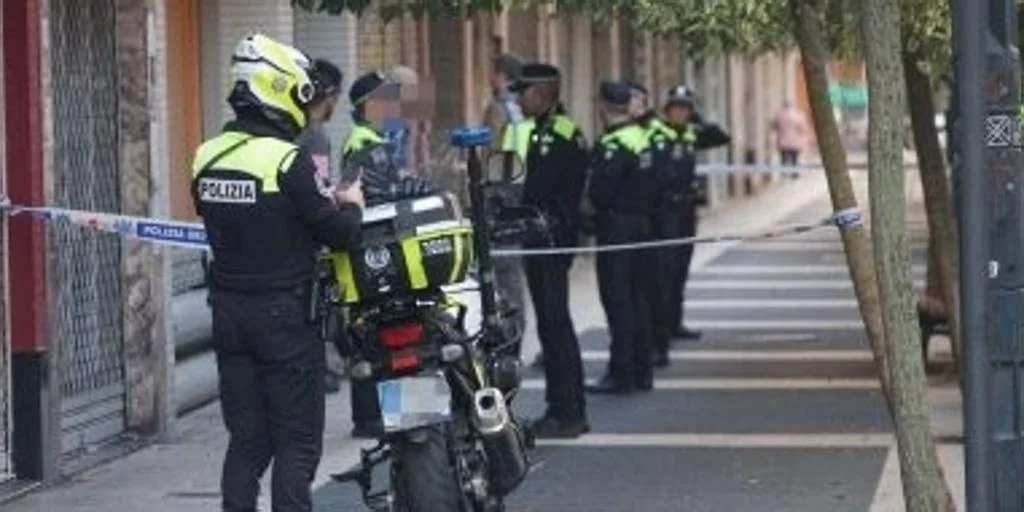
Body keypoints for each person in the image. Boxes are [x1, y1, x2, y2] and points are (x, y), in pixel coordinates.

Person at [190, 33, 364, 512]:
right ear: (276, 89)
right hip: (284, 317)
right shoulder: (289, 160)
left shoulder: (206, 155)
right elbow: (336, 232)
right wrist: (351, 206)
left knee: (247, 442)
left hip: (228, 314)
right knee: (297, 442)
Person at [340, 69, 431, 439]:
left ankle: (408, 416)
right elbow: (367, 196)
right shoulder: (362, 143)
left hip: (384, 245)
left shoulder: (377, 139)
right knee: (380, 331)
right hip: (376, 248)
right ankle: (378, 418)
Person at [509, 63, 590, 438]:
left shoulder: (555, 133)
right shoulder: (545, 129)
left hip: (550, 238)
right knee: (552, 325)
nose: (518, 100)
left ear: (541, 94)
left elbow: (539, 192)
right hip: (545, 236)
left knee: (556, 325)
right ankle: (562, 408)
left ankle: (567, 411)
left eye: (522, 93)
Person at [585, 81, 657, 394]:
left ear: (604, 107)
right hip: (643, 225)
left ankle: (621, 371)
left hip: (617, 228)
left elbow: (600, 192)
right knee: (639, 300)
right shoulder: (642, 137)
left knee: (618, 302)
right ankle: (643, 369)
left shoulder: (614, 143)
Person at [662, 86, 731, 344]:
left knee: (680, 268)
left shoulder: (690, 134)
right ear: (668, 109)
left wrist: (698, 119)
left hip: (686, 211)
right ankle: (662, 326)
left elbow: (722, 137)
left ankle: (675, 322)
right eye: (677, 107)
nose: (681, 112)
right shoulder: (660, 134)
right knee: (665, 271)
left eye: (685, 108)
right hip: (665, 211)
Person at [624, 81, 685, 368]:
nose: (631, 105)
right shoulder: (625, 132)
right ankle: (642, 347)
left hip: (660, 219)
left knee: (658, 285)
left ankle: (658, 344)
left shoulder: (658, 132)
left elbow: (665, 175)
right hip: (640, 219)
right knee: (638, 292)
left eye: (636, 100)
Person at [295, 58, 346, 394]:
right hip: (308, 241)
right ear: (328, 97)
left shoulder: (291, 131)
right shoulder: (315, 138)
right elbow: (320, 188)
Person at [481, 53, 532, 358]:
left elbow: (489, 155)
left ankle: (503, 345)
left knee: (499, 276)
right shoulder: (525, 109)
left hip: (500, 198)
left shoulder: (498, 110)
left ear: (501, 76)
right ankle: (516, 338)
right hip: (521, 193)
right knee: (513, 278)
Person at [770, 101, 809, 166]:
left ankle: (784, 172)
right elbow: (803, 128)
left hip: (783, 142)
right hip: (795, 142)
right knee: (794, 159)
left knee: (783, 159)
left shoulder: (779, 115)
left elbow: (774, 127)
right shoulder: (798, 115)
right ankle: (794, 173)